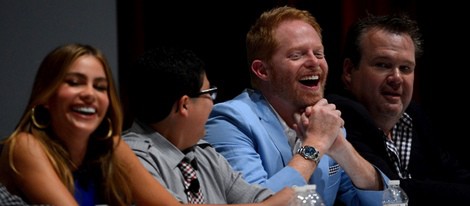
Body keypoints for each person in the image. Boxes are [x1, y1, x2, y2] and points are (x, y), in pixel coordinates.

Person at [203, 6, 389, 206]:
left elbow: (383, 202)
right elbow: (258, 203)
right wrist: (315, 145)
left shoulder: (325, 122)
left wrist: (343, 150)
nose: (314, 63)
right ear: (262, 70)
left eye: (318, 53)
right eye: (297, 55)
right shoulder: (229, 121)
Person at [0, 43, 183, 206]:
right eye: (74, 83)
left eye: (100, 87)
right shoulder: (25, 145)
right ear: (46, 95)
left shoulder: (111, 147)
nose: (90, 94)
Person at [326, 13, 470, 205]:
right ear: (349, 71)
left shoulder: (414, 116)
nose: (396, 78)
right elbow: (391, 191)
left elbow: (462, 181)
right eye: (383, 65)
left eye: (405, 68)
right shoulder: (339, 115)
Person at [122, 46, 294, 205]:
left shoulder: (206, 154)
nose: (213, 103)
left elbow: (257, 199)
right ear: (184, 105)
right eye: (209, 93)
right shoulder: (131, 156)